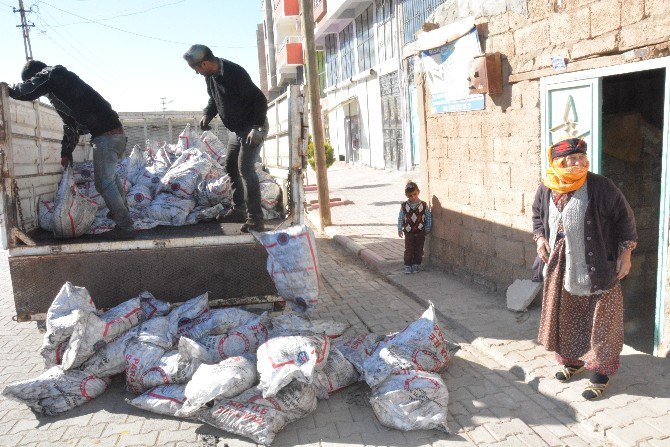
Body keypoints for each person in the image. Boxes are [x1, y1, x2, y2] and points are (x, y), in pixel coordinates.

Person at [532, 138, 637, 400]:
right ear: (557, 163)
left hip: (599, 266)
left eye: (581, 158)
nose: (578, 163)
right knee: (566, 314)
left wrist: (626, 253)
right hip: (562, 265)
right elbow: (537, 215)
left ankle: (601, 371)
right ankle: (573, 362)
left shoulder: (601, 186)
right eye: (572, 159)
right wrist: (540, 238)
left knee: (602, 318)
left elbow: (625, 218)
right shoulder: (547, 187)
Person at [8, 60, 134, 240]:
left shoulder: (54, 73)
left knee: (104, 183)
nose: (39, 92)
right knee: (111, 179)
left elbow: (29, 88)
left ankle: (125, 225)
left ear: (36, 75)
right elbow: (72, 126)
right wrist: (66, 152)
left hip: (106, 136)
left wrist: (10, 90)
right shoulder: (60, 92)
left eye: (34, 80)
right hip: (113, 135)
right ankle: (120, 214)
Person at [183, 44, 269, 233]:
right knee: (231, 166)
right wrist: (208, 114)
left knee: (246, 169)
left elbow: (259, 100)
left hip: (251, 127)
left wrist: (257, 127)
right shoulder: (210, 77)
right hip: (236, 130)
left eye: (197, 68)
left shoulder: (234, 73)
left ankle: (256, 219)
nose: (197, 73)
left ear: (205, 63)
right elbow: (214, 99)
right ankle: (239, 210)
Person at [397, 181, 432, 274]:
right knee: (409, 249)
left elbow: (428, 216)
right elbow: (401, 217)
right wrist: (399, 229)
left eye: (415, 194)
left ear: (418, 192)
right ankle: (408, 265)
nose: (413, 197)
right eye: (410, 196)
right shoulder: (404, 206)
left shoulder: (423, 205)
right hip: (409, 231)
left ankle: (416, 264)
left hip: (420, 231)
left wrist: (428, 227)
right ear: (407, 196)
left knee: (419, 249)